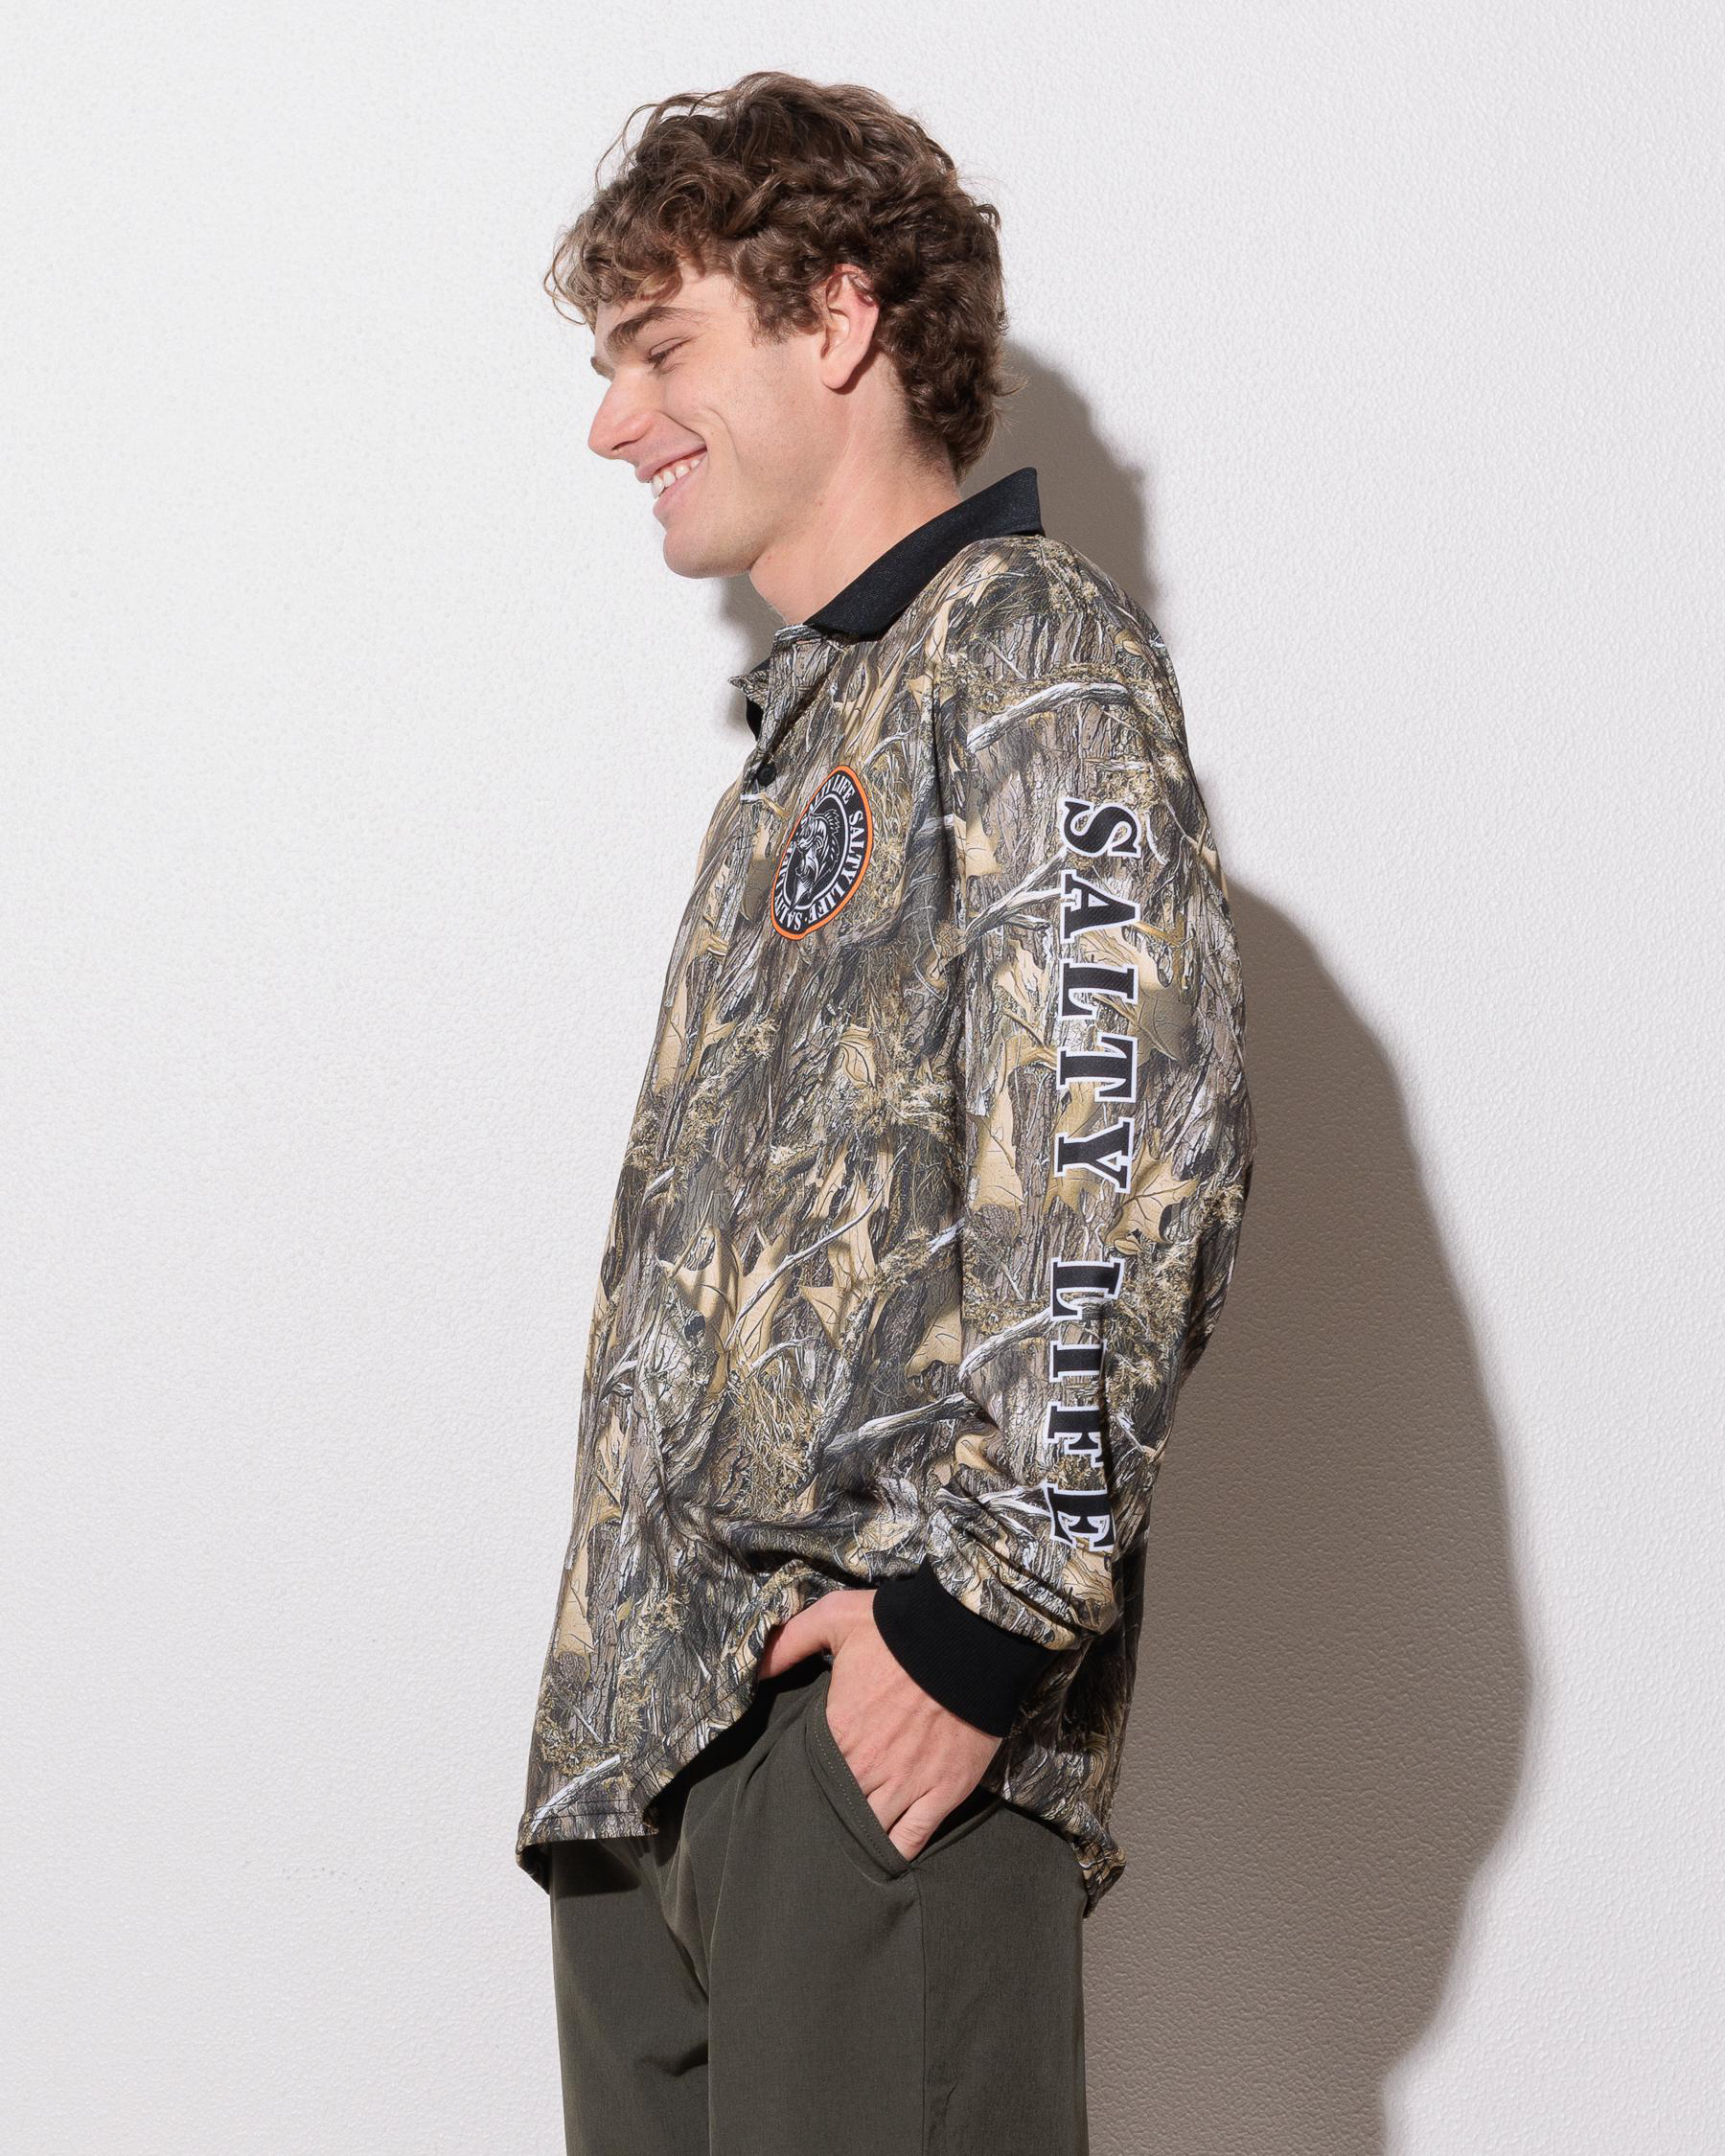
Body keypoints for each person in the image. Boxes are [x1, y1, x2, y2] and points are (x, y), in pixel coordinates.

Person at [517, 70, 1257, 2156]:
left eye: (658, 349)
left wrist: (973, 1625)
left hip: (871, 1739)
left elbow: (1119, 1133)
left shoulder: (1030, 658)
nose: (613, 422)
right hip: (661, 1755)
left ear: (835, 316)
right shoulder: (805, 741)